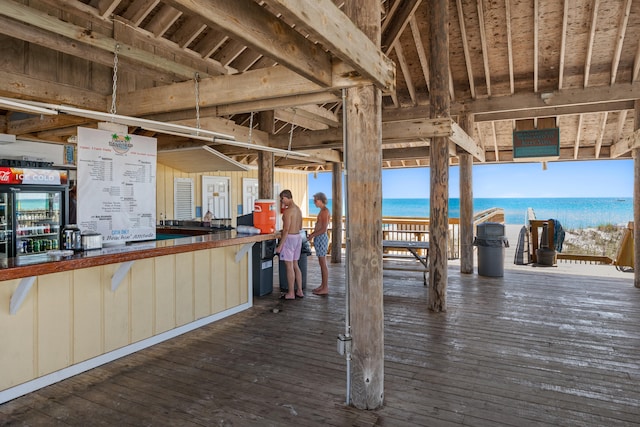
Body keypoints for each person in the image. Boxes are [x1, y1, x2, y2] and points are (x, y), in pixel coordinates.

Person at [275, 189, 304, 300]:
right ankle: (300, 291)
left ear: (286, 197)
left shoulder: (288, 211)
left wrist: (280, 245)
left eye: (282, 199)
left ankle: (291, 293)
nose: (282, 202)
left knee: (289, 266)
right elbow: (300, 227)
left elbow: (286, 229)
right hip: (298, 237)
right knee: (295, 264)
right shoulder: (298, 210)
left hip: (289, 239)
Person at [308, 192, 330, 295]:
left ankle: (325, 287)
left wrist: (312, 235)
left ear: (321, 200)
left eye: (315, 200)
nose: (314, 202)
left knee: (323, 264)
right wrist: (313, 234)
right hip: (319, 237)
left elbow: (324, 228)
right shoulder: (322, 211)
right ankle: (322, 285)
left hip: (321, 238)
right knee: (321, 263)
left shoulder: (325, 212)